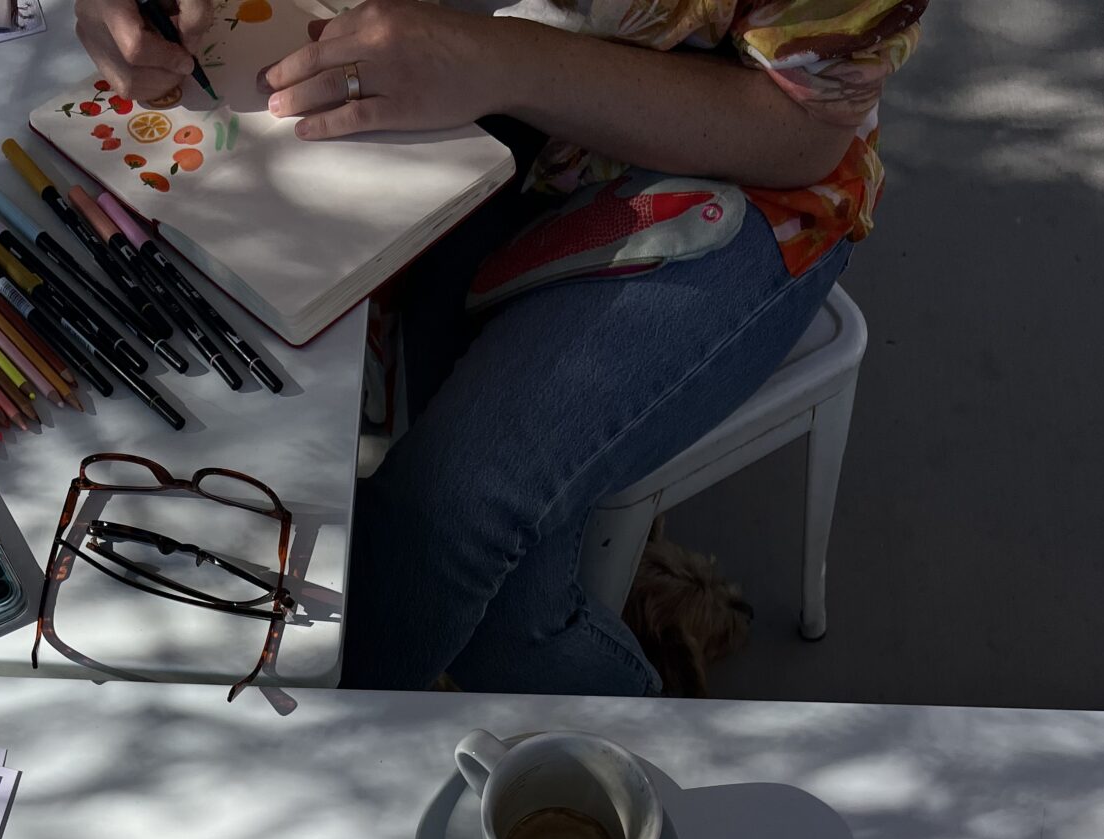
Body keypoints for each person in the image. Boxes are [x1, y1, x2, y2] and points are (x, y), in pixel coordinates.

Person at [72, 0, 926, 693]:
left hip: (741, 175)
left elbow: (801, 129)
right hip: (470, 105)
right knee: (482, 595)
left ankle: (622, 781)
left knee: (443, 527)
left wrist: (499, 58)